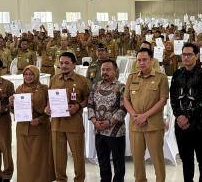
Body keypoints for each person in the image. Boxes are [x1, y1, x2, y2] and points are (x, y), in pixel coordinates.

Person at [170, 43, 202, 182]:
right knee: (186, 159)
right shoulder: (177, 74)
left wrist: (187, 117)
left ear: (197, 56)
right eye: (184, 54)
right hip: (181, 125)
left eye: (189, 54)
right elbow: (173, 98)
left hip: (199, 124)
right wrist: (179, 116)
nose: (186, 57)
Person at [124, 48, 169, 182]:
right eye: (139, 60)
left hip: (153, 126)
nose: (141, 63)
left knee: (157, 160)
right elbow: (126, 99)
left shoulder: (161, 78)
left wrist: (145, 116)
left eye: (145, 60)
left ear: (151, 60)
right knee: (137, 160)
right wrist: (134, 115)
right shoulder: (132, 77)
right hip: (136, 126)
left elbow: (163, 100)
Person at [45, 52, 90, 182]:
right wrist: (47, 107)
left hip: (74, 124)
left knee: (77, 156)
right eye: (61, 63)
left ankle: (79, 179)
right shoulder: (54, 79)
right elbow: (49, 96)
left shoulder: (82, 80)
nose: (63, 66)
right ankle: (60, 179)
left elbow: (88, 98)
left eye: (67, 63)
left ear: (74, 65)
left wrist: (78, 106)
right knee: (58, 156)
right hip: (57, 124)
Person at [11, 65, 55, 182]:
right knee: (24, 158)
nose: (28, 77)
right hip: (23, 129)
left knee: (40, 158)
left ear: (36, 75)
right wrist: (11, 104)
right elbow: (15, 111)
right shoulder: (19, 89)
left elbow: (50, 110)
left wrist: (40, 119)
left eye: (31, 74)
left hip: (40, 129)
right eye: (26, 74)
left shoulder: (44, 89)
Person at [88, 60, 126, 182]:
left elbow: (123, 108)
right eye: (103, 69)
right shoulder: (95, 86)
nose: (105, 72)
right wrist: (94, 121)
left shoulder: (121, 87)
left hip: (116, 131)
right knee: (102, 160)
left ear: (115, 71)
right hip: (98, 130)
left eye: (108, 69)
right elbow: (90, 105)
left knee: (118, 161)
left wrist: (109, 123)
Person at [0, 59, 15, 182]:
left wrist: (4, 107)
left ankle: (7, 174)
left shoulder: (8, 85)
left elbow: (13, 104)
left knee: (5, 147)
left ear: (0, 69)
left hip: (3, 119)